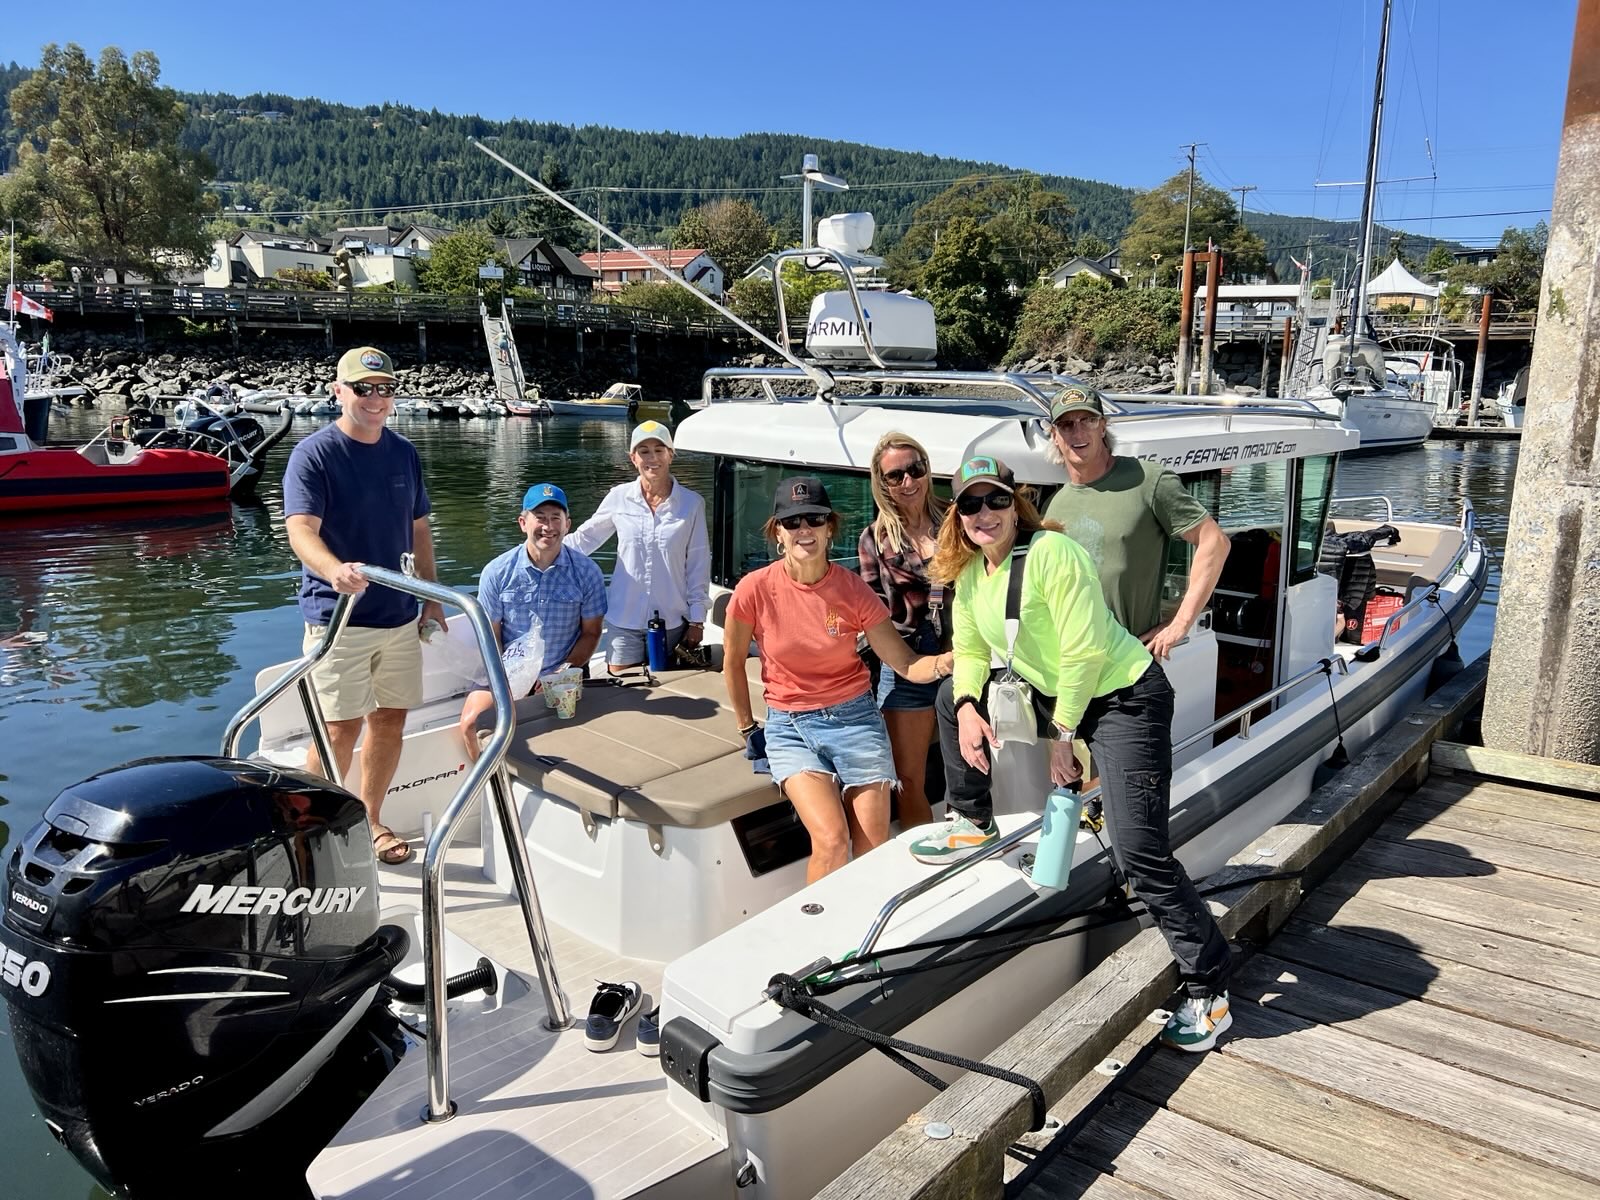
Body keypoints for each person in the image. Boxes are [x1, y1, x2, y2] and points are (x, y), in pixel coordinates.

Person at [910, 455, 1234, 1053]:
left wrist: (1063, 742)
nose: (986, 514)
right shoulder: (971, 575)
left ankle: (1208, 984)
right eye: (972, 504)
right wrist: (966, 711)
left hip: (1121, 698)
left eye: (997, 501)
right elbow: (972, 652)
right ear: (957, 515)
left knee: (1141, 852)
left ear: (1017, 505)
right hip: (1058, 696)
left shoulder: (1054, 554)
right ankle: (972, 819)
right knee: (946, 696)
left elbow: (1084, 652)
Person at [723, 476, 952, 883]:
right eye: (792, 522)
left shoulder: (854, 591)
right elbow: (734, 660)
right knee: (830, 840)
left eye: (814, 518)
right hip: (789, 726)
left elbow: (904, 662)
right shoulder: (753, 590)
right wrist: (746, 727)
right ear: (778, 530)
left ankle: (867, 943)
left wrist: (949, 663)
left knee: (873, 845)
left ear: (830, 527)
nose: (803, 529)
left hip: (856, 720)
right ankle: (818, 941)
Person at [283, 345, 447, 867]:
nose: (376, 399)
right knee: (338, 728)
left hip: (399, 617)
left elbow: (419, 529)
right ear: (339, 392)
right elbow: (300, 529)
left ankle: (370, 818)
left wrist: (431, 597)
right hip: (339, 620)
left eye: (385, 389)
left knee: (390, 719)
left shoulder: (404, 453)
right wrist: (333, 569)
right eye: (363, 389)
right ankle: (312, 833)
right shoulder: (313, 454)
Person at [1043, 384, 1230, 661]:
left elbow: (1214, 541)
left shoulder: (1148, 480)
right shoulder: (1054, 506)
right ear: (1055, 435)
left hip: (1130, 668)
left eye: (1089, 420)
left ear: (1103, 427)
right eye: (1067, 424)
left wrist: (1180, 622)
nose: (1078, 432)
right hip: (1070, 668)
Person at [457, 482, 607, 757]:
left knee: (560, 734)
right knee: (471, 724)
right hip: (506, 671)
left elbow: (592, 632)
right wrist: (509, 681)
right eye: (540, 518)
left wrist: (562, 672)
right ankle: (492, 785)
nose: (548, 526)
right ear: (523, 523)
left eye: (555, 519)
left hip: (562, 672)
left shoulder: (588, 572)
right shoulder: (497, 572)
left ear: (567, 525)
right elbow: (490, 636)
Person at [567, 421, 710, 674]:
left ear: (671, 455)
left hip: (673, 622)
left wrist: (697, 620)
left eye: (659, 449)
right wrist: (538, 552)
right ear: (633, 458)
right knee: (620, 692)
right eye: (644, 451)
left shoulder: (692, 504)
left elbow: (698, 564)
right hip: (624, 620)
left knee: (668, 694)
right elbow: (584, 540)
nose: (652, 458)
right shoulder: (618, 497)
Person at [858, 431, 949, 828]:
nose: (908, 481)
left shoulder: (958, 520)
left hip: (965, 651)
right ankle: (925, 858)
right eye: (896, 476)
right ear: (882, 484)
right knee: (909, 777)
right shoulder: (874, 539)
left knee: (972, 762)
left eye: (916, 470)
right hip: (906, 660)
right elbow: (872, 609)